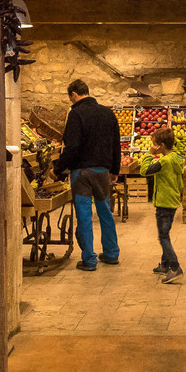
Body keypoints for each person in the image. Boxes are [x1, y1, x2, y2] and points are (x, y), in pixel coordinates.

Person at [53, 79, 121, 271]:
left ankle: (89, 260)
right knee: (105, 212)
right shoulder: (108, 113)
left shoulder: (76, 113)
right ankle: (111, 253)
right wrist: (115, 170)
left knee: (84, 216)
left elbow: (72, 147)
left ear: (74, 95)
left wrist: (58, 168)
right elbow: (116, 145)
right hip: (102, 171)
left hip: (82, 173)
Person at [144, 127, 185, 284]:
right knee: (165, 232)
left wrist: (149, 154)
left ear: (160, 145)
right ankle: (165, 264)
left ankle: (175, 267)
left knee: (163, 236)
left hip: (163, 202)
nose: (153, 146)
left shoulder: (164, 161)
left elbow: (144, 171)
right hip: (172, 200)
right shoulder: (176, 157)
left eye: (154, 144)